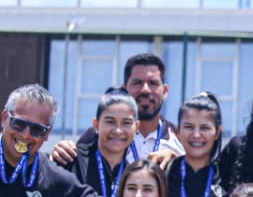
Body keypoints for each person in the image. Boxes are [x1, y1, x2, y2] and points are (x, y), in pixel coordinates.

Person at [50, 53, 184, 166]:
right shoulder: (98, 134)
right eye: (137, 83)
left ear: (165, 91)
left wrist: (178, 161)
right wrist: (61, 151)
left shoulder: (180, 137)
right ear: (125, 89)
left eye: (153, 83)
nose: (145, 90)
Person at [165, 92, 227, 197]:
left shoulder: (225, 174)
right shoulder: (165, 171)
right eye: (188, 127)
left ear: (217, 133)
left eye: (205, 128)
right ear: (178, 132)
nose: (196, 135)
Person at [63, 89, 138, 197]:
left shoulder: (135, 175)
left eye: (126, 123)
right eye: (110, 122)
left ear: (137, 127)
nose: (118, 131)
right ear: (96, 125)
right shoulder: (71, 160)